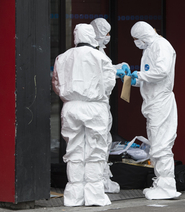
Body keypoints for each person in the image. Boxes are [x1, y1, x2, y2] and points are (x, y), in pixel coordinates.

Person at [52, 23, 117, 206]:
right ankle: (94, 195)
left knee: (74, 150)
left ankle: (74, 195)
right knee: (95, 150)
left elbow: (56, 84)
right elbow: (109, 83)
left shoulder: (62, 57)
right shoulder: (100, 57)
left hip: (70, 107)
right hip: (94, 106)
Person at [129, 21, 181, 200]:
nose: (136, 43)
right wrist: (132, 80)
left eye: (136, 39)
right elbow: (150, 78)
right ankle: (162, 182)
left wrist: (140, 75)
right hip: (153, 101)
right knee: (156, 142)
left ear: (143, 36)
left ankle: (167, 186)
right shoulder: (150, 48)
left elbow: (162, 71)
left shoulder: (161, 46)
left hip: (160, 101)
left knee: (161, 144)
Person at [90, 17, 130, 194]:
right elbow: (99, 74)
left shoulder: (99, 50)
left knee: (104, 142)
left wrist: (117, 68)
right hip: (95, 104)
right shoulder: (90, 52)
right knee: (96, 144)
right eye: (105, 33)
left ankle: (102, 179)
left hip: (101, 104)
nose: (108, 36)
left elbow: (104, 70)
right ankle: (96, 181)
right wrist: (115, 71)